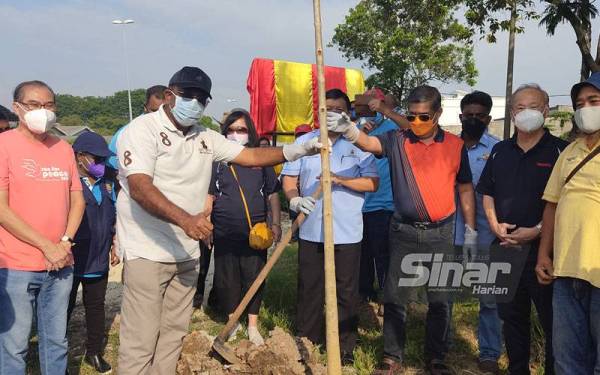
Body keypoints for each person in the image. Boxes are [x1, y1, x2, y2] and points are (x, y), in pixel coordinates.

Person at [115, 66, 323, 375]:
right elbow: (140, 188)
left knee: (173, 333)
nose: (195, 104)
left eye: (202, 99)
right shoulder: (142, 130)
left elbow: (250, 157)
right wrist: (186, 220)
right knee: (141, 337)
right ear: (170, 95)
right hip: (148, 249)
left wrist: (297, 149)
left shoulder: (205, 137)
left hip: (185, 252)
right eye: (189, 96)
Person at [327, 85, 476, 374]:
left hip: (441, 232)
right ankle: (392, 357)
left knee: (440, 300)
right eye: (412, 116)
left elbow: (466, 187)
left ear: (438, 114)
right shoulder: (397, 140)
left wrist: (470, 230)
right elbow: (369, 144)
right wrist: (349, 129)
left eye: (424, 117)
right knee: (396, 298)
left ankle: (436, 358)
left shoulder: (455, 147)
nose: (417, 122)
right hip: (404, 231)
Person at [282, 88, 379, 364]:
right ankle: (307, 341)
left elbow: (373, 182)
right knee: (310, 287)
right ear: (319, 113)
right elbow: (289, 180)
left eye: (338, 109)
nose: (332, 114)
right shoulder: (306, 142)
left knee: (347, 291)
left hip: (347, 231)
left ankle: (345, 346)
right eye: (327, 109)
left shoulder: (358, 145)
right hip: (312, 229)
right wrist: (294, 199)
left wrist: (341, 180)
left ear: (347, 112)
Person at [477, 84, 568, 374]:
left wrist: (538, 230)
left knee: (553, 322)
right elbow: (487, 191)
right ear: (512, 112)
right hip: (504, 249)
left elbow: (564, 202)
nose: (526, 112)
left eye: (533, 106)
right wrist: (494, 224)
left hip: (546, 253)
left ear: (545, 109)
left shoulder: (561, 152)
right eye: (519, 107)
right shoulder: (499, 150)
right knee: (512, 319)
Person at [0, 80, 86, 374]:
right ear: (18, 108)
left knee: (56, 341)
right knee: (14, 345)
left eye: (49, 105)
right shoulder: (4, 146)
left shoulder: (63, 148)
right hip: (16, 266)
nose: (43, 112)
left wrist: (64, 242)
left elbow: (77, 199)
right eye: (35, 105)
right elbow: (1, 209)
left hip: (61, 263)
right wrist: (46, 246)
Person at [537, 72, 600, 374]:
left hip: (598, 272)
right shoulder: (570, 152)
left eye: (594, 101)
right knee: (567, 361)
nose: (585, 108)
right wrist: (543, 255)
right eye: (580, 103)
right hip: (565, 272)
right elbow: (552, 204)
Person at [207, 109, 281, 346]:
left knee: (254, 276)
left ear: (250, 132)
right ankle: (233, 321)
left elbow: (272, 193)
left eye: (241, 129)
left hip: (256, 230)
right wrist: (206, 223)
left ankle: (252, 325)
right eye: (231, 129)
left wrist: (276, 222)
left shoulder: (260, 158)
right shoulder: (218, 161)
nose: (236, 134)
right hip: (224, 229)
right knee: (227, 278)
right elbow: (209, 195)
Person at [450, 91, 503, 373]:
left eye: (478, 115)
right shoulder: (446, 147)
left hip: (484, 235)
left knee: (489, 297)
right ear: (460, 117)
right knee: (442, 294)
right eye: (467, 115)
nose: (472, 120)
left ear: (488, 118)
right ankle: (440, 347)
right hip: (448, 232)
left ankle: (489, 353)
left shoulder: (497, 150)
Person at [67, 131, 119, 373]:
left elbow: (114, 216)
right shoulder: (66, 183)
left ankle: (94, 352)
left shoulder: (108, 182)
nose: (100, 163)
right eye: (95, 158)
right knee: (62, 309)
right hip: (71, 258)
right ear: (79, 157)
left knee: (96, 307)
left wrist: (115, 243)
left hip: (98, 257)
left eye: (102, 159)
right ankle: (59, 356)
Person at [356, 90, 399, 306]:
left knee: (383, 254)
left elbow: (409, 126)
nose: (370, 106)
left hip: (384, 204)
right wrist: (360, 133)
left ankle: (386, 296)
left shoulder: (394, 127)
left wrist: (386, 112)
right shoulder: (357, 128)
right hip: (358, 205)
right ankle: (364, 294)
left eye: (376, 103)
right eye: (366, 102)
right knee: (362, 255)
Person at [107, 85, 168, 171]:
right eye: (154, 111)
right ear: (145, 107)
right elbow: (111, 168)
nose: (158, 115)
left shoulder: (177, 131)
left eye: (164, 111)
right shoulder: (127, 132)